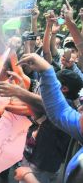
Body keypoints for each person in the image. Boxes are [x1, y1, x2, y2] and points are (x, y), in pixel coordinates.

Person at [17, 52, 83, 183]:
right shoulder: (78, 124)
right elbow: (59, 111)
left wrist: (28, 176)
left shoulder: (69, 105)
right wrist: (45, 70)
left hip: (43, 163)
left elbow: (43, 106)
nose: (80, 108)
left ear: (64, 89)